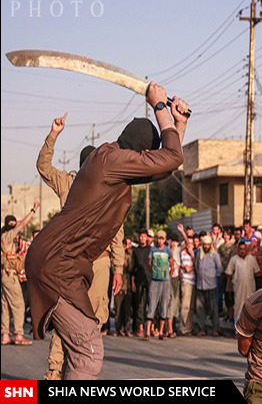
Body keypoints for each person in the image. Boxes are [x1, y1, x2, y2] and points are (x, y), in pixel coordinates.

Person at [25, 83, 188, 379]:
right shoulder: (110, 160)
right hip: (57, 263)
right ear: (141, 151)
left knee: (82, 344)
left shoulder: (113, 163)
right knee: (88, 349)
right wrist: (159, 107)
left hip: (65, 264)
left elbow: (166, 166)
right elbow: (170, 158)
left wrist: (179, 123)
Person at [36, 112, 126, 377]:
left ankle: (79, 372)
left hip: (98, 263)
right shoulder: (68, 182)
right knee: (67, 320)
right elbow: (43, 166)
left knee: (92, 322)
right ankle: (54, 373)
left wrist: (118, 266)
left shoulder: (110, 186)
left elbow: (117, 229)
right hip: (70, 262)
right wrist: (53, 135)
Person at [1, 207, 39, 346]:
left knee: (6, 305)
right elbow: (22, 224)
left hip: (4, 275)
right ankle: (19, 335)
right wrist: (33, 210)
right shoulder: (8, 237)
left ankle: (5, 335)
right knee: (19, 305)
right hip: (10, 275)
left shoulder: (3, 238)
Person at [144, 230, 174, 341]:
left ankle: (161, 331)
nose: (160, 240)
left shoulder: (168, 251)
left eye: (162, 238)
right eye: (159, 238)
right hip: (155, 280)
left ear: (165, 239)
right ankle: (147, 332)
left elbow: (172, 264)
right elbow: (150, 262)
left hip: (165, 281)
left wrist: (168, 276)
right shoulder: (153, 249)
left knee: (164, 305)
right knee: (152, 304)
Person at [195, 235, 223, 337]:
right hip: (200, 285)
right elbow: (197, 267)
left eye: (208, 244)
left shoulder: (215, 255)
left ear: (210, 245)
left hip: (211, 285)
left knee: (213, 308)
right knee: (200, 308)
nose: (206, 246)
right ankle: (202, 329)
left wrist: (213, 277)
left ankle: (215, 328)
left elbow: (219, 268)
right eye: (204, 244)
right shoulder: (199, 254)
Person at [226, 241, 260, 322]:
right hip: (238, 289)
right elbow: (229, 274)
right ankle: (238, 330)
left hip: (250, 288)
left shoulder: (251, 259)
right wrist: (229, 288)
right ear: (238, 250)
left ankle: (250, 330)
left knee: (251, 308)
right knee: (238, 308)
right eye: (240, 249)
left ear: (246, 250)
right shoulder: (234, 259)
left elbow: (257, 273)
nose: (242, 251)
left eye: (244, 249)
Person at [132, 229, 152, 337]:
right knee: (140, 304)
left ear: (147, 238)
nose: (142, 238)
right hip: (139, 279)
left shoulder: (151, 249)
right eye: (141, 236)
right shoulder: (135, 250)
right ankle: (140, 327)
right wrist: (133, 282)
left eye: (144, 237)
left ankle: (152, 327)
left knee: (151, 303)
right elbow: (133, 267)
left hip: (150, 278)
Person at [178, 226, 197, 336]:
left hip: (194, 281)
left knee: (191, 306)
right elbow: (185, 267)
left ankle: (189, 327)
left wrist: (193, 256)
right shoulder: (183, 253)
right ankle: (183, 328)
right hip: (186, 281)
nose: (190, 245)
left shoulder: (193, 254)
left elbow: (196, 265)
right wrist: (183, 232)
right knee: (185, 306)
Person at [113, 238, 134, 336]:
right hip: (118, 286)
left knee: (127, 310)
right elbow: (113, 268)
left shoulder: (130, 256)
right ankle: (117, 329)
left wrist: (127, 265)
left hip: (127, 285)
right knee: (118, 309)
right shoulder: (117, 256)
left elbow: (132, 269)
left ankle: (127, 329)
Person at [219, 228, 236, 321]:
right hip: (223, 271)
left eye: (227, 235)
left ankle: (232, 314)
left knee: (232, 294)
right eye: (224, 235)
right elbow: (219, 257)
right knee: (226, 293)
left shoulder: (233, 246)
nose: (226, 236)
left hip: (232, 272)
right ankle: (228, 314)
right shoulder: (221, 247)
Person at [166, 238, 181, 338]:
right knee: (170, 302)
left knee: (175, 302)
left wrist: (182, 232)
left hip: (176, 278)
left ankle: (172, 327)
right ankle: (169, 328)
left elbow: (188, 243)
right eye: (173, 241)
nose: (174, 243)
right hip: (168, 278)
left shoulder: (178, 251)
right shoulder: (167, 251)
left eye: (176, 242)